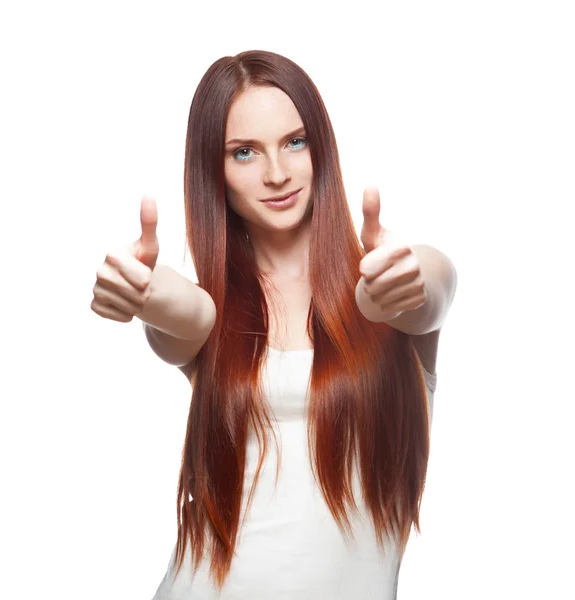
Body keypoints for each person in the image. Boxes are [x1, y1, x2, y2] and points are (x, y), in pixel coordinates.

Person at [91, 50, 456, 600]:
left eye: (295, 141)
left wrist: (402, 286)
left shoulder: (392, 288)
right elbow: (188, 314)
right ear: (214, 172)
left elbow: (433, 286)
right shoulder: (210, 311)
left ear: (321, 148)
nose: (277, 173)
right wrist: (147, 293)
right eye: (244, 153)